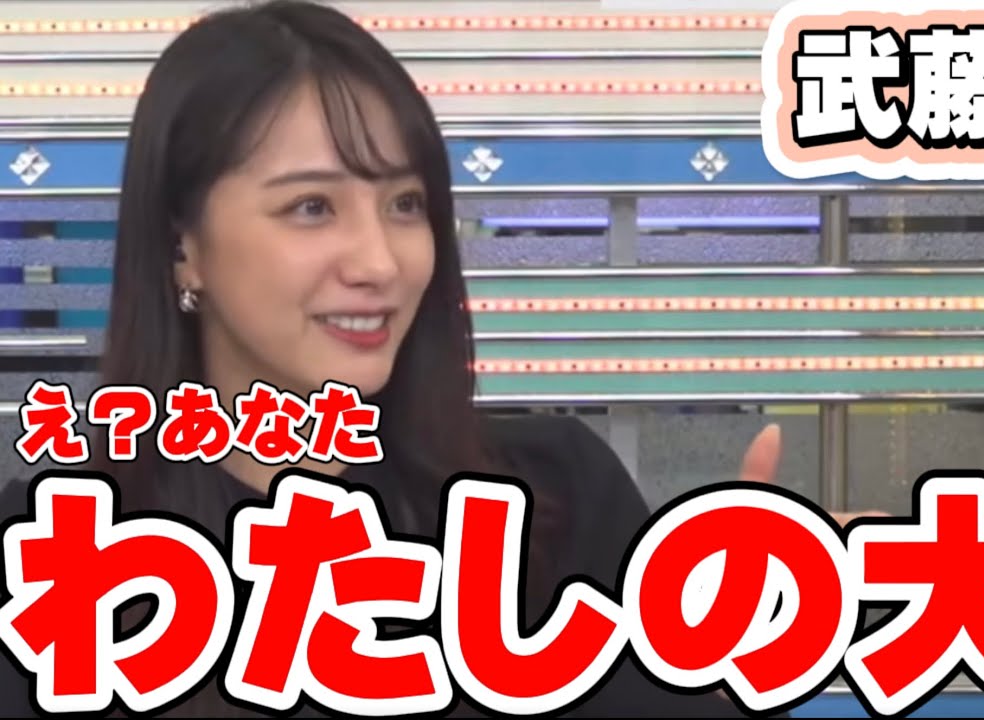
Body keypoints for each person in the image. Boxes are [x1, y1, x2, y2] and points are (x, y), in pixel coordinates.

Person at [0, 1, 880, 716]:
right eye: (312, 207)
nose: (381, 262)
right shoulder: (57, 554)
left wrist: (733, 638)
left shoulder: (550, 498)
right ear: (182, 245)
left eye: (405, 204)